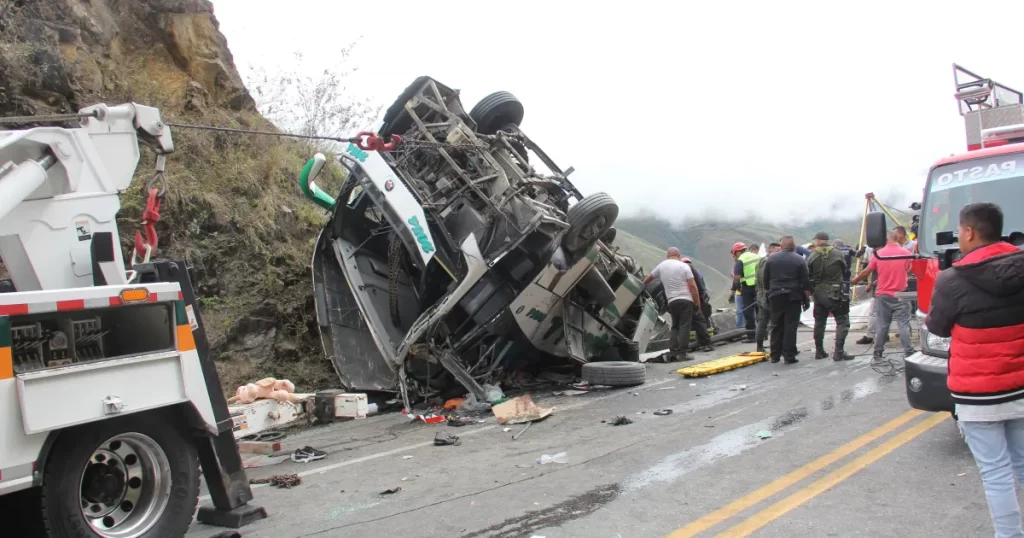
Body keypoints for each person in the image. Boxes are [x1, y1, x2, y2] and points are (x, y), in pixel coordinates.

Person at [924, 202, 1024, 538]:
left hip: (977, 393)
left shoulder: (951, 279)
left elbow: (938, 327)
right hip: (1021, 384)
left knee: (996, 472)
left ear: (969, 232)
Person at [850, 230, 914, 360]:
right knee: (903, 324)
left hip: (883, 295)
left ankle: (878, 352)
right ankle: (908, 352)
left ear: (886, 239)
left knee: (883, 325)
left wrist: (855, 281)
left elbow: (867, 271)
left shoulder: (879, 254)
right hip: (901, 294)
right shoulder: (906, 253)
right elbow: (909, 270)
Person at [644, 247, 702, 362]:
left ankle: (673, 351)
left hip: (672, 301)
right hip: (686, 300)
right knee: (685, 325)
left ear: (667, 255)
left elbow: (649, 278)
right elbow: (692, 286)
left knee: (675, 326)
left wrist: (641, 285)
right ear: (678, 255)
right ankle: (683, 353)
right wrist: (697, 301)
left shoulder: (661, 266)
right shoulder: (684, 266)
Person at [762, 236, 812, 364]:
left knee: (776, 325)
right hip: (793, 296)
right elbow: (805, 282)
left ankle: (774, 356)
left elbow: (765, 279)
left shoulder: (771, 259)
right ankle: (789, 356)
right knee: (790, 326)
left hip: (775, 295)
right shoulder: (800, 260)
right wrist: (806, 298)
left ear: (782, 245)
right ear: (794, 246)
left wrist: (769, 291)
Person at [807, 232, 854, 361]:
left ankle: (819, 351)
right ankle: (838, 352)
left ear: (817, 240)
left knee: (820, 322)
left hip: (818, 293)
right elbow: (845, 269)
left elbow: (807, 273)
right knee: (842, 321)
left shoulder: (812, 255)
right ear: (827, 240)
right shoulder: (838, 253)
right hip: (835, 292)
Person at [682, 257, 714, 352]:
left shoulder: (684, 272)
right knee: (704, 319)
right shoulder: (697, 272)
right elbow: (701, 287)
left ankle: (692, 340)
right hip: (702, 297)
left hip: (692, 298)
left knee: (693, 320)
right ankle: (708, 340)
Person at [754, 242, 782, 353]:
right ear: (771, 251)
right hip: (769, 295)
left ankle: (759, 346)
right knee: (775, 323)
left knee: (762, 322)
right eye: (778, 251)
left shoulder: (760, 262)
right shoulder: (772, 262)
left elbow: (756, 279)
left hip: (760, 295)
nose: (780, 253)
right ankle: (776, 348)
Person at [730, 242, 759, 343]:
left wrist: (736, 289)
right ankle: (763, 335)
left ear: (737, 252)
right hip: (759, 287)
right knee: (759, 310)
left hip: (748, 288)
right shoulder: (757, 256)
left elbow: (737, 278)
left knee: (748, 312)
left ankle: (751, 336)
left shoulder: (741, 260)